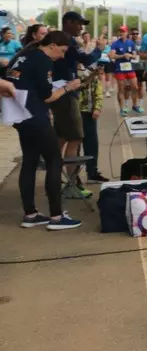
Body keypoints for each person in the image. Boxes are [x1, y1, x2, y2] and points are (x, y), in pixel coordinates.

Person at [8, 30, 83, 230]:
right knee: (54, 160)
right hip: (35, 115)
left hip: (19, 115)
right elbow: (47, 96)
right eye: (62, 50)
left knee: (30, 162)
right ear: (52, 46)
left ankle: (30, 213)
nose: (63, 56)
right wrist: (69, 87)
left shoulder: (23, 56)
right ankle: (57, 216)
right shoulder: (43, 61)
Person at [51, 12, 102, 191]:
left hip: (63, 91)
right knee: (75, 138)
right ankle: (71, 183)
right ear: (68, 22)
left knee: (62, 137)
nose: (81, 28)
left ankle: (56, 177)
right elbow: (86, 58)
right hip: (65, 93)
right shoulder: (67, 40)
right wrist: (99, 49)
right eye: (79, 24)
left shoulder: (64, 39)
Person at [78, 59, 108, 183]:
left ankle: (92, 172)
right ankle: (74, 176)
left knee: (92, 144)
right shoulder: (70, 72)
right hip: (75, 113)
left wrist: (97, 108)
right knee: (75, 145)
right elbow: (81, 83)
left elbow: (98, 91)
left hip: (89, 113)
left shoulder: (90, 73)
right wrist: (92, 73)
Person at [110, 26, 141, 116]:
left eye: (123, 31)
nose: (121, 33)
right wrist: (123, 55)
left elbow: (135, 56)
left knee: (135, 87)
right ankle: (122, 108)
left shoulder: (131, 43)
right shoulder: (115, 43)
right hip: (119, 69)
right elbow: (112, 55)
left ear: (127, 33)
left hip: (129, 69)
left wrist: (130, 56)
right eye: (120, 31)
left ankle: (135, 105)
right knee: (121, 89)